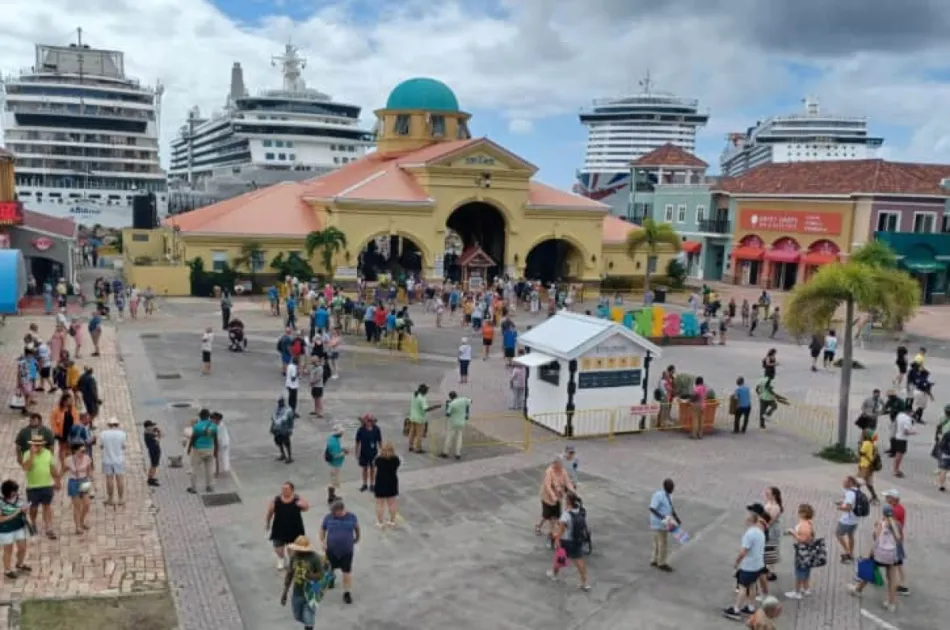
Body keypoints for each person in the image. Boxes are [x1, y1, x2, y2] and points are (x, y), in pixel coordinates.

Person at [848, 504, 903, 612]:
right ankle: (891, 603)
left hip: (880, 553)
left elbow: (876, 539)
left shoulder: (881, 524)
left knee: (869, 571)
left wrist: (870, 553)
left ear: (883, 513)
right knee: (892, 578)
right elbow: (899, 539)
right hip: (892, 555)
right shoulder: (898, 525)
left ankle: (858, 589)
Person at [723, 503, 768, 621]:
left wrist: (737, 562)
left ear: (751, 517)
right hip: (758, 565)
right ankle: (751, 607)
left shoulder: (750, 533)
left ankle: (736, 610)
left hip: (749, 566)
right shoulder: (760, 531)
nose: (746, 516)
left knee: (743, 587)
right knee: (752, 585)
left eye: (748, 514)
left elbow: (743, 552)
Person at [280, 535, 327, 630]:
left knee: (309, 616)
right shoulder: (294, 557)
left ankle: (309, 625)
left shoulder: (314, 557)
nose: (298, 551)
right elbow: (290, 574)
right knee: (297, 616)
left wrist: (311, 576)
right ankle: (309, 623)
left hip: (312, 591)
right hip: (298, 592)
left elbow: (321, 575)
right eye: (297, 549)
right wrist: (284, 593)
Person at [546, 492, 591, 590]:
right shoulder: (580, 510)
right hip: (577, 539)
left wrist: (557, 539)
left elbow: (561, 529)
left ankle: (554, 575)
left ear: (568, 501)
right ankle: (585, 583)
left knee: (560, 557)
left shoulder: (566, 514)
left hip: (566, 540)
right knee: (579, 561)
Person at [320, 500, 360, 605]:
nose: (333, 513)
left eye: (334, 512)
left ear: (341, 510)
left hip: (346, 550)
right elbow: (322, 529)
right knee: (330, 568)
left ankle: (347, 592)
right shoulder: (328, 517)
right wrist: (322, 541)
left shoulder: (352, 517)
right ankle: (331, 580)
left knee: (346, 571)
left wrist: (357, 537)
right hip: (331, 549)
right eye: (332, 511)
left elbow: (357, 528)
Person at [21, 433, 61, 540]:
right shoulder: (27, 454)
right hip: (33, 486)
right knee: (33, 508)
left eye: (39, 444)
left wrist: (57, 480)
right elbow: (26, 468)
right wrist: (32, 455)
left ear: (42, 444)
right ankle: (33, 523)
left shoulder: (47, 453)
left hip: (47, 485)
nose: (37, 446)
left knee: (47, 506)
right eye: (35, 444)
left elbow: (52, 467)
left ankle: (49, 527)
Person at [267, 482, 309, 571]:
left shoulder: (297, 498)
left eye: (286, 489)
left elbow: (306, 508)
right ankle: (281, 559)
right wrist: (267, 523)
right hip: (279, 528)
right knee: (278, 548)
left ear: (292, 490)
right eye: (283, 489)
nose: (284, 490)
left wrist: (302, 505)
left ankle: (292, 562)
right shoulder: (276, 500)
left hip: (294, 528)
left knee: (292, 550)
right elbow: (270, 512)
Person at [0, 479, 32, 580]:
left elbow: (22, 511)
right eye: (13, 491)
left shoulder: (19, 499)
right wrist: (17, 512)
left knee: (22, 548)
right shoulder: (1, 503)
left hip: (19, 527)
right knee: (8, 550)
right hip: (6, 530)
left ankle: (20, 564)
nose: (15, 493)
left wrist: (25, 510)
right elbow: (1, 519)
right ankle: (7, 570)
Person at [536, 457, 574, 540]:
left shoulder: (563, 471)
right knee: (546, 516)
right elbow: (548, 486)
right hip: (547, 498)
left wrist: (572, 491)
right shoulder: (549, 472)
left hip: (558, 497)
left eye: (561, 465)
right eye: (558, 465)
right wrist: (553, 496)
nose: (560, 467)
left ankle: (551, 532)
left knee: (555, 516)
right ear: (555, 464)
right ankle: (539, 526)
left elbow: (567, 482)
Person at [648, 478, 678, 572]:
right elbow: (652, 508)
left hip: (665, 521)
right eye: (671, 487)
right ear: (666, 487)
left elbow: (671, 507)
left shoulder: (669, 495)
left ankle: (654, 560)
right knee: (663, 543)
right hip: (659, 523)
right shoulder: (658, 496)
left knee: (657, 542)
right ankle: (661, 563)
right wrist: (662, 518)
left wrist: (676, 517)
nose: (672, 489)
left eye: (672, 487)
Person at [186, 409, 218, 495]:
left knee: (195, 468)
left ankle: (193, 488)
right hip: (210, 449)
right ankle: (209, 486)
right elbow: (215, 439)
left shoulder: (197, 426)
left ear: (200, 416)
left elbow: (193, 438)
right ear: (208, 416)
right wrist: (216, 451)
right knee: (209, 468)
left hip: (198, 449)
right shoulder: (213, 426)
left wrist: (189, 448)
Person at [64, 441, 93, 533]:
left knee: (87, 504)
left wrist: (92, 481)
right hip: (73, 482)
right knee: (77, 506)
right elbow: (63, 470)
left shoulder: (87, 458)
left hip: (84, 481)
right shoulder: (68, 460)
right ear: (75, 451)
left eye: (84, 451)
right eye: (81, 451)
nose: (83, 453)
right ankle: (77, 527)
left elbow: (89, 470)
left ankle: (81, 521)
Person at [99, 417, 127, 506]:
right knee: (120, 479)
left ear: (109, 425)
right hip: (119, 460)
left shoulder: (103, 434)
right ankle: (120, 499)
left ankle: (110, 498)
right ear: (117, 425)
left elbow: (101, 446)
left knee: (109, 479)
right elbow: (123, 446)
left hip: (107, 459)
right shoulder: (122, 434)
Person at [373, 442, 400, 528]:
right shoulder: (396, 459)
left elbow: (375, 468)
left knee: (380, 504)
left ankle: (380, 522)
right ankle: (392, 521)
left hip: (380, 482)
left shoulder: (378, 459)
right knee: (392, 503)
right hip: (392, 482)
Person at [407, 384, 439, 454]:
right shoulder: (422, 398)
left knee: (412, 432)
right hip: (420, 419)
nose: (427, 391)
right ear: (424, 391)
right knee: (419, 434)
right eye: (427, 390)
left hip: (412, 417)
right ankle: (418, 448)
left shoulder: (415, 395)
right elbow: (426, 409)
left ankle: (410, 446)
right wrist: (435, 407)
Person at [441, 391, 471, 460]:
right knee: (459, 437)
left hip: (453, 422)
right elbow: (469, 403)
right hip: (461, 422)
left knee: (449, 437)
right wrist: (466, 413)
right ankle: (458, 453)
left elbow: (447, 414)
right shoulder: (463, 400)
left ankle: (445, 452)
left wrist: (447, 406)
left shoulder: (451, 403)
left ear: (450, 397)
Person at [355, 414, 382, 493]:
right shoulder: (361, 430)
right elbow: (357, 442)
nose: (370, 422)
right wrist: (357, 453)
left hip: (373, 453)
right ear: (365, 421)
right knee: (364, 468)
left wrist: (382, 451)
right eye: (368, 421)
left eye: (371, 421)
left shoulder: (376, 429)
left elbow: (379, 441)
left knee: (373, 469)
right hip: (363, 453)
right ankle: (365, 484)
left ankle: (372, 484)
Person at [325, 424, 348, 504]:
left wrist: (342, 449)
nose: (342, 433)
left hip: (333, 464)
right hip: (335, 464)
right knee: (333, 481)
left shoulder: (332, 438)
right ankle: (331, 497)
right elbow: (335, 455)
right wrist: (344, 453)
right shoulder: (334, 442)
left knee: (333, 480)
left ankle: (332, 495)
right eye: (341, 432)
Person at [271, 397, 295, 463]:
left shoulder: (288, 410)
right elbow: (273, 418)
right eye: (278, 402)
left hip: (285, 429)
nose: (279, 403)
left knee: (287, 443)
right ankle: (283, 454)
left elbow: (290, 420)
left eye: (280, 402)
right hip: (277, 429)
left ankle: (290, 457)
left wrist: (290, 429)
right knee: (279, 442)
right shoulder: (277, 409)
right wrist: (272, 427)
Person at [143, 420, 162, 487]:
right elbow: (158, 439)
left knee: (154, 465)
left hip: (154, 450)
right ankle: (150, 479)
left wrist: (157, 431)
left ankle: (152, 477)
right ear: (148, 427)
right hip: (154, 451)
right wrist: (159, 433)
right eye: (151, 426)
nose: (153, 427)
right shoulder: (149, 436)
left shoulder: (149, 433)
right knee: (153, 465)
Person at [211, 412, 230, 477]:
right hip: (220, 442)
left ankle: (223, 469)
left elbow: (218, 436)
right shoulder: (217, 425)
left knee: (223, 456)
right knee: (218, 457)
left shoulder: (220, 426)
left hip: (223, 443)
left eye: (213, 419)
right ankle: (218, 470)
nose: (212, 420)